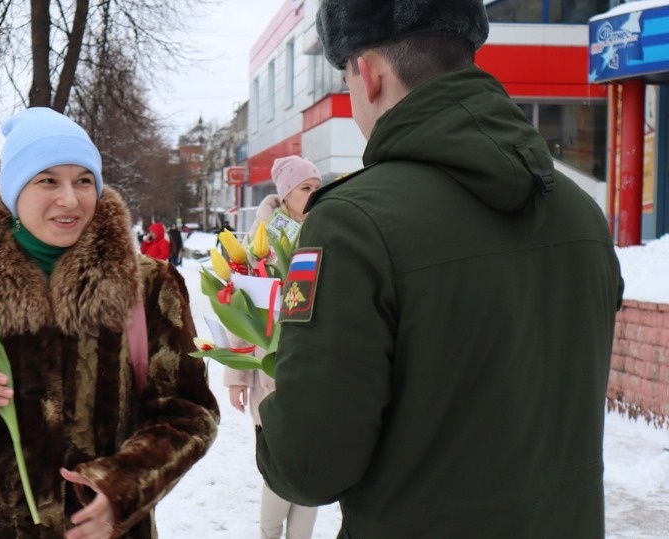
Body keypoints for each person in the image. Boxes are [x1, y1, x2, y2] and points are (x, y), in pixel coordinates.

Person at [256, 2, 624, 538]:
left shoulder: (352, 224)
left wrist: (273, 414)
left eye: (345, 76)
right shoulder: (580, 211)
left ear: (368, 72)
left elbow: (309, 468)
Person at [0, 107, 219, 539]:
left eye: (84, 180)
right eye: (48, 180)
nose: (70, 199)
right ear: (14, 191)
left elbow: (189, 414)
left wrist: (121, 488)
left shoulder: (149, 285)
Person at [224, 155, 321, 539]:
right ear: (285, 195)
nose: (314, 194)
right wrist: (237, 376)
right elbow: (241, 312)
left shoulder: (325, 231)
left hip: (316, 369)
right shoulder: (262, 243)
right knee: (280, 465)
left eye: (317, 186)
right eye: (306, 188)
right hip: (273, 375)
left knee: (312, 466)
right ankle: (270, 534)